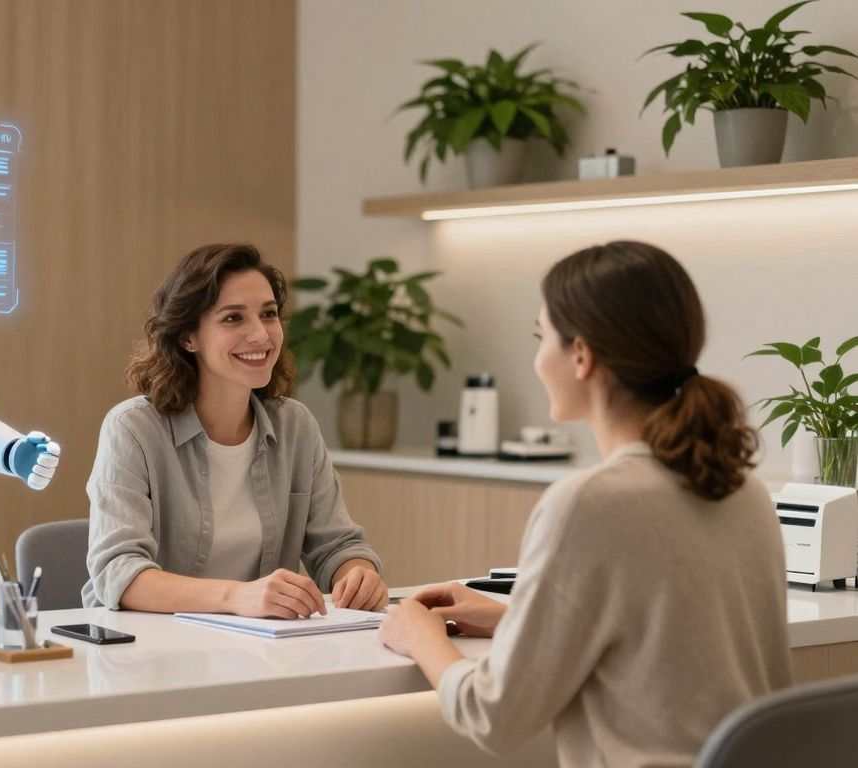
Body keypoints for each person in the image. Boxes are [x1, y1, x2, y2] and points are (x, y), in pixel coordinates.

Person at [379, 241, 791, 768]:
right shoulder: (743, 490)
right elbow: (662, 652)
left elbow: (494, 715)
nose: (535, 358)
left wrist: (420, 637)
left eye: (540, 337)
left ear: (581, 355)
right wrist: (515, 621)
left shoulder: (588, 503)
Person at [82, 243, 387, 617]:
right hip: (149, 652)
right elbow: (120, 572)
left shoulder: (296, 426)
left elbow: (337, 545)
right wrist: (237, 598)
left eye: (269, 314)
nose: (261, 335)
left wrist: (358, 573)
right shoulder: (132, 429)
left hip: (265, 648)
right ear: (188, 337)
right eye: (233, 318)